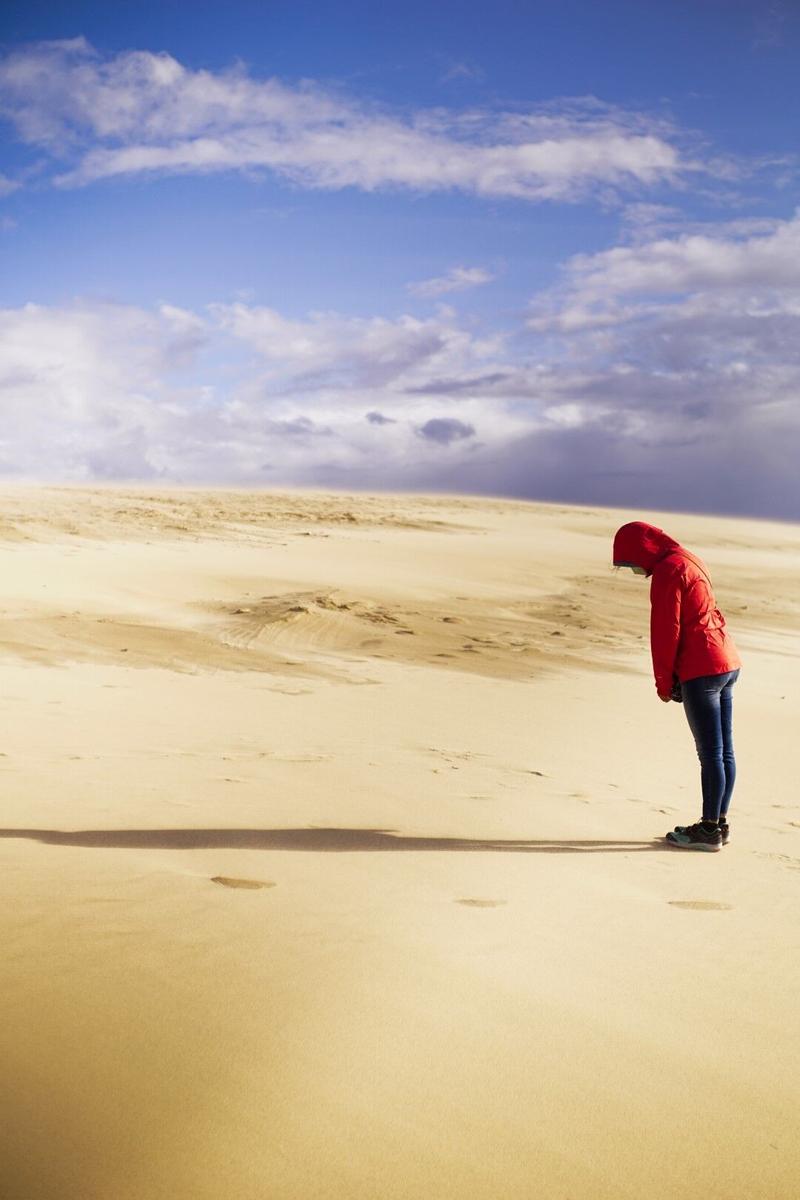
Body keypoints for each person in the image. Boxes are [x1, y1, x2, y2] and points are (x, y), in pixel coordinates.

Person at [613, 521, 742, 852]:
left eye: (630, 563)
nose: (634, 571)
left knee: (710, 752)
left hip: (702, 667)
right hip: (726, 660)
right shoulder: (688, 558)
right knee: (724, 750)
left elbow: (665, 630)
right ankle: (719, 824)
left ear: (642, 552)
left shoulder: (668, 571)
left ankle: (709, 830)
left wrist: (663, 682)